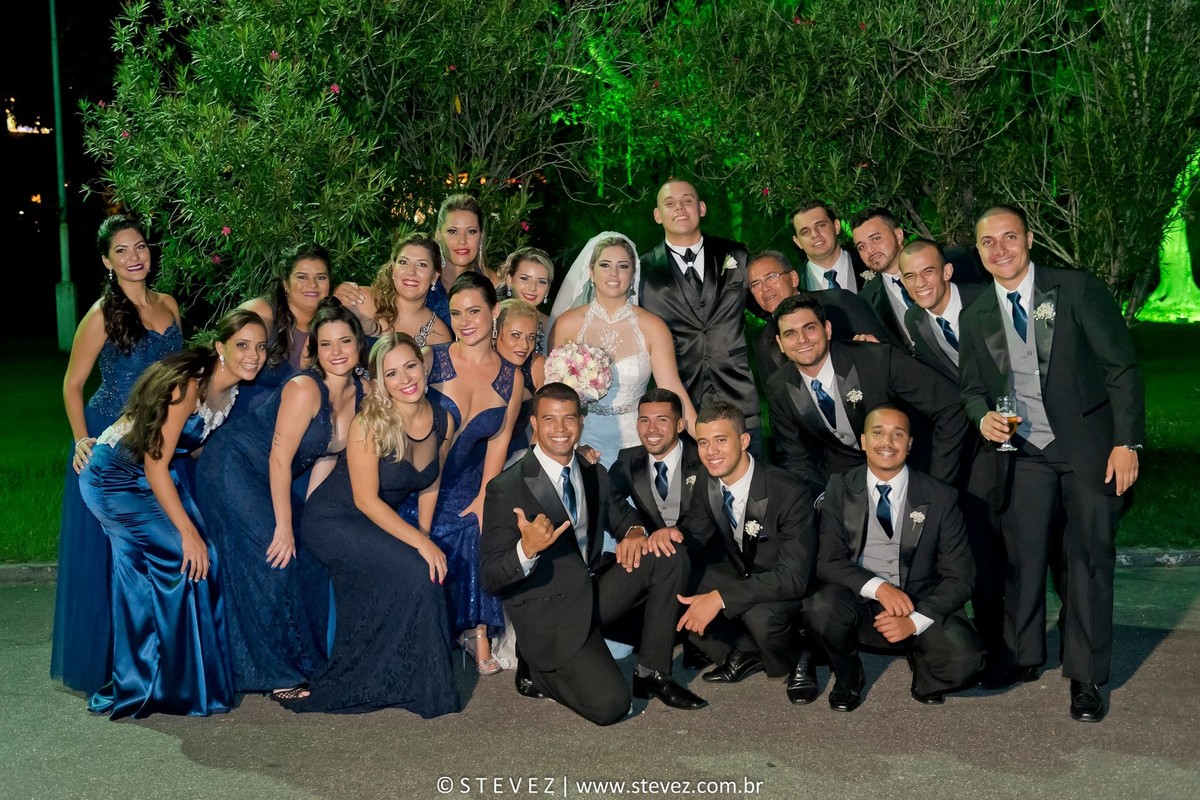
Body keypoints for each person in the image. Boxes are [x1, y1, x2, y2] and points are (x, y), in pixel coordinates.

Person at [960, 205, 1145, 722]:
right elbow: (971, 389)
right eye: (988, 242)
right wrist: (981, 418)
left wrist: (1127, 443)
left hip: (1090, 448)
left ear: (1029, 239)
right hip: (1024, 454)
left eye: (1009, 237)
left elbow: (1121, 368)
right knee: (1021, 559)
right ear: (978, 251)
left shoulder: (1076, 289)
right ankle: (1022, 655)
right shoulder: (976, 314)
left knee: (1087, 561)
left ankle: (1086, 675)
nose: (1000, 249)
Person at [481, 383, 708, 725]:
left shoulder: (593, 472)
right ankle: (536, 667)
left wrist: (634, 532)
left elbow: (623, 517)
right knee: (611, 706)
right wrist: (526, 549)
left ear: (581, 422)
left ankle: (652, 673)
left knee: (668, 553)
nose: (560, 428)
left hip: (593, 591)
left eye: (569, 418)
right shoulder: (506, 488)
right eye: (549, 419)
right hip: (550, 614)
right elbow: (490, 577)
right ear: (535, 423)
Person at [78, 309, 268, 719]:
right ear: (220, 347)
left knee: (186, 565)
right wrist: (188, 532)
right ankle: (169, 684)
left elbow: (192, 445)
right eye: (242, 345)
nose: (253, 355)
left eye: (260, 346)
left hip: (146, 477)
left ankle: (161, 680)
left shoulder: (230, 392)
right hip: (114, 478)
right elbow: (155, 462)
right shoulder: (188, 385)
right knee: (189, 557)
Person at [196, 299, 368, 696]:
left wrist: (309, 520)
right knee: (275, 555)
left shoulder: (362, 392)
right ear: (315, 350)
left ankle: (309, 661)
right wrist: (285, 526)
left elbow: (326, 457)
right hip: (232, 466)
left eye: (345, 341)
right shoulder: (305, 389)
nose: (336, 351)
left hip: (270, 477)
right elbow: (279, 458)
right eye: (326, 344)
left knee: (312, 555)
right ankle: (276, 674)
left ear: (359, 345)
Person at [282, 334, 460, 716]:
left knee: (424, 570)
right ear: (379, 382)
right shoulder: (369, 424)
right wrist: (421, 545)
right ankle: (380, 683)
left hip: (374, 522)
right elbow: (365, 500)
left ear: (424, 366)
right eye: (391, 373)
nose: (405, 379)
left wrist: (423, 535)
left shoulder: (442, 419)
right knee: (420, 571)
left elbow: (431, 482)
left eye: (410, 366)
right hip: (333, 520)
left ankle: (410, 682)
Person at [53, 214, 183, 696]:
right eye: (122, 251)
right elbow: (72, 384)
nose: (134, 257)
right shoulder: (100, 316)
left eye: (140, 247)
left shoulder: (168, 304)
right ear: (107, 262)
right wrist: (82, 439)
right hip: (110, 443)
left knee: (161, 548)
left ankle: (163, 656)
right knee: (114, 554)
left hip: (160, 441)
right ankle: (115, 660)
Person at [805, 405, 983, 711]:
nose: (887, 442)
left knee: (965, 661)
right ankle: (849, 675)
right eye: (878, 432)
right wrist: (880, 588)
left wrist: (914, 622)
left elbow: (961, 577)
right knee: (820, 608)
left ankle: (923, 666)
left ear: (909, 444)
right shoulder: (840, 488)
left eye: (898, 434)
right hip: (861, 604)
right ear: (863, 441)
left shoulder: (940, 496)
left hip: (922, 602)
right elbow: (828, 561)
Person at [897, 239, 1004, 666]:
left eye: (928, 272)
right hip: (976, 437)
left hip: (1021, 427)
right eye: (909, 276)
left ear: (946, 272)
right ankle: (994, 639)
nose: (920, 283)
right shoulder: (915, 319)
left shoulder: (986, 301)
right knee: (981, 534)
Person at [673, 402, 817, 706]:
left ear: (744, 440)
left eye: (720, 440)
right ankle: (745, 650)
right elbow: (694, 534)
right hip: (744, 572)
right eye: (703, 442)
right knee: (671, 575)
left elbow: (793, 578)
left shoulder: (789, 492)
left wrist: (720, 598)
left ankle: (801, 654)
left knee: (760, 617)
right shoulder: (706, 480)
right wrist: (668, 537)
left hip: (788, 583)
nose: (710, 451)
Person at [765, 295, 968, 499]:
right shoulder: (778, 387)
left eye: (809, 328)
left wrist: (936, 483)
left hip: (914, 470)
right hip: (848, 491)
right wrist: (823, 501)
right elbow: (794, 457)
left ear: (827, 329)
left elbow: (950, 405)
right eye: (790, 333)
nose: (802, 339)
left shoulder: (876, 359)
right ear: (780, 343)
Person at [420, 272, 522, 674]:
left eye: (474, 311)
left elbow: (499, 442)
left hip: (467, 478)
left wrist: (484, 496)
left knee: (478, 521)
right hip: (418, 478)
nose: (464, 321)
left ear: (494, 312)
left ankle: (476, 630)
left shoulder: (511, 377)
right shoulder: (431, 359)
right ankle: (440, 628)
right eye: (457, 312)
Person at [550, 232, 698, 466]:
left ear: (633, 273)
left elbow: (672, 387)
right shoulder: (567, 324)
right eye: (605, 265)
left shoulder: (653, 326)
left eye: (623, 266)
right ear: (591, 272)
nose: (614, 273)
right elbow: (551, 394)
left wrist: (704, 440)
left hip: (636, 444)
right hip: (579, 443)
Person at [636, 179, 762, 452]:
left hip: (740, 400)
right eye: (670, 203)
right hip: (680, 409)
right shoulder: (641, 269)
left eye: (687, 201)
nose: (679, 208)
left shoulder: (736, 254)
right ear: (658, 215)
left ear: (702, 208)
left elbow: (770, 306)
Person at [746, 250, 896, 383]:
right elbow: (778, 397)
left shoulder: (840, 302)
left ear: (794, 278)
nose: (765, 288)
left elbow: (891, 352)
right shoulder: (763, 342)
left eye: (771, 277)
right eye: (756, 284)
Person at [343, 233, 451, 347]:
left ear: (434, 277)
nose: (411, 272)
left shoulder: (439, 336)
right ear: (393, 269)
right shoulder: (360, 299)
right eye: (403, 262)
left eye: (422, 265)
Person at [850, 208, 915, 345]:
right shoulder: (865, 301)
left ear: (898, 235)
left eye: (876, 239)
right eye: (861, 247)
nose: (870, 250)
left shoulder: (943, 265)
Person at [494, 298, 545, 462]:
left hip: (517, 456)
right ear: (495, 332)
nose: (525, 345)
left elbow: (544, 424)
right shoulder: (480, 362)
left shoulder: (537, 366)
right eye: (515, 335)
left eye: (531, 337)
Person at [790, 200, 867, 293]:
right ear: (798, 242)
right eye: (805, 232)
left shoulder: (868, 262)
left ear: (836, 226)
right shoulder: (793, 287)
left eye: (821, 225)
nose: (814, 234)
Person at [498, 247, 553, 355]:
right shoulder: (493, 317)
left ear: (548, 289)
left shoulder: (552, 327)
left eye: (541, 282)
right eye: (525, 278)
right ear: (509, 280)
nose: (532, 288)